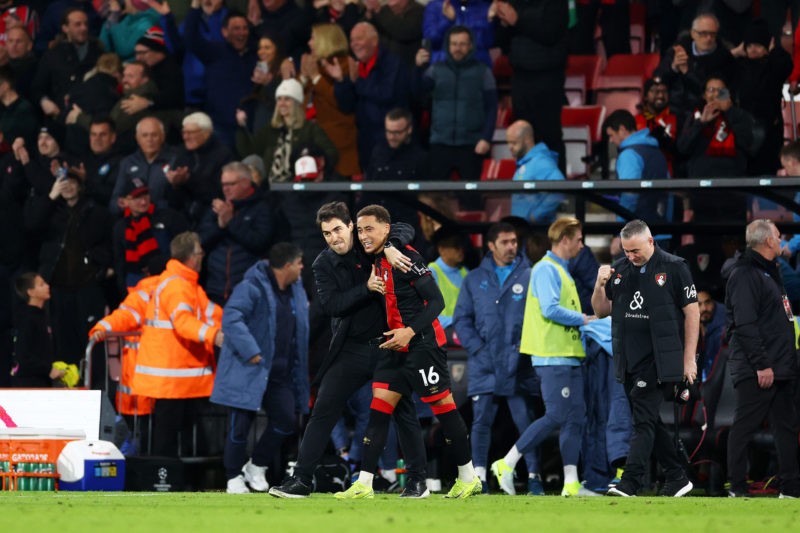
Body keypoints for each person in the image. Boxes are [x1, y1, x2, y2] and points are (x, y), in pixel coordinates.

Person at [269, 201, 429, 499]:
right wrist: (366, 288)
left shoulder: (373, 243)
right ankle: (302, 480)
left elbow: (405, 227)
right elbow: (332, 306)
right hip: (351, 350)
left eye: (338, 230)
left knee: (403, 412)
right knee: (323, 410)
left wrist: (392, 246)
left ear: (351, 227)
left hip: (388, 346)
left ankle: (418, 481)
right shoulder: (322, 264)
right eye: (327, 233)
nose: (333, 238)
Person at [335, 204, 481, 500]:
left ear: (385, 229)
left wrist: (409, 332)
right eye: (360, 230)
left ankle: (468, 477)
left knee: (444, 410)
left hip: (423, 345)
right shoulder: (377, 257)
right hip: (394, 347)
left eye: (369, 229)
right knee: (378, 412)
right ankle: (364, 483)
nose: (363, 236)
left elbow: (437, 302)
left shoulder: (406, 259)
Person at [592, 219, 699, 497]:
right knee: (649, 419)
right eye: (627, 251)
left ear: (651, 241)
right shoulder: (620, 270)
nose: (631, 256)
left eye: (635, 250)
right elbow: (602, 310)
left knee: (641, 422)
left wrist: (689, 359)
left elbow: (692, 313)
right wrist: (599, 285)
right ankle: (677, 478)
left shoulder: (675, 267)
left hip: (659, 360)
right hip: (628, 360)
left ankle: (630, 482)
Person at [491, 217, 596, 497]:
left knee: (575, 418)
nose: (581, 245)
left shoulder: (561, 270)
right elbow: (550, 309)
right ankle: (507, 463)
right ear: (565, 240)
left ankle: (571, 483)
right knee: (558, 414)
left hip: (569, 353)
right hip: (552, 355)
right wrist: (584, 320)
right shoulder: (545, 269)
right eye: (578, 239)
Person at [211, 242, 309, 494]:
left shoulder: (296, 289)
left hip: (280, 372)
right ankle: (233, 476)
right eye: (299, 263)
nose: (302, 268)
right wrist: (251, 350)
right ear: (287, 266)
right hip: (250, 368)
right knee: (240, 426)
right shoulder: (251, 286)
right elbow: (231, 317)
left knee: (287, 421)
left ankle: (257, 465)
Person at [453, 222, 542, 494]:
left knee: (525, 421)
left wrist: (526, 349)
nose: (511, 246)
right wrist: (478, 349)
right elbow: (462, 320)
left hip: (519, 363)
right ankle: (478, 476)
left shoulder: (530, 275)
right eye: (505, 242)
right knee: (481, 421)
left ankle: (535, 478)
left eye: (514, 241)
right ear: (491, 245)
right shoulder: (474, 279)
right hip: (485, 363)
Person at [724, 219, 800, 498]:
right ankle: (738, 487)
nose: (781, 241)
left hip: (780, 366)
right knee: (745, 425)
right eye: (779, 237)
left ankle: (791, 488)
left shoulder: (770, 272)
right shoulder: (745, 274)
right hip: (759, 367)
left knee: (786, 428)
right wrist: (761, 364)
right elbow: (745, 324)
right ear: (768, 241)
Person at [131, 231, 224, 457]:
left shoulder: (187, 284)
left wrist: (237, 323)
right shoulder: (178, 286)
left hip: (178, 378)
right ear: (192, 257)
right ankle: (164, 483)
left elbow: (214, 313)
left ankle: (174, 483)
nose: (203, 256)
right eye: (200, 252)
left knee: (177, 439)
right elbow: (183, 322)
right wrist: (215, 336)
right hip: (172, 378)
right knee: (168, 442)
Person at [23, 168, 112, 365]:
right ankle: (66, 388)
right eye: (62, 181)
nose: (68, 186)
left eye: (72, 181)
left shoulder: (95, 211)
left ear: (80, 186)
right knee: (62, 343)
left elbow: (108, 243)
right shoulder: (51, 210)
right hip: (57, 288)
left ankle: (92, 387)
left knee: (91, 341)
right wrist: (50, 197)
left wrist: (101, 267)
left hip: (86, 286)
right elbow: (31, 225)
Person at [415, 25, 497, 182]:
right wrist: (418, 68)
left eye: (462, 44)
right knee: (436, 198)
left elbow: (492, 107)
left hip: (471, 144)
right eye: (454, 44)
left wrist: (486, 138)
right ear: (448, 45)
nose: (457, 48)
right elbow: (417, 93)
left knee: (471, 198)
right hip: (440, 142)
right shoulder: (435, 70)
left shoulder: (483, 72)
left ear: (470, 46)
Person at [493, 0, 568, 170]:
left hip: (547, 76)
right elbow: (500, 41)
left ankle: (557, 190)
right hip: (520, 76)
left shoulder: (556, 4)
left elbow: (551, 33)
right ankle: (526, 186)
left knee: (548, 135)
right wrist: (502, 22)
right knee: (522, 136)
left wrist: (517, 20)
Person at [327, 21, 411, 170]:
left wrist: (357, 82)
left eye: (359, 38)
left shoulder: (392, 62)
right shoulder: (355, 67)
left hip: (390, 140)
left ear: (375, 41)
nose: (354, 44)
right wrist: (341, 82)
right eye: (352, 40)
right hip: (366, 141)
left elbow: (386, 94)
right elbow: (347, 106)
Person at [197, 161, 274, 304]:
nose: (225, 189)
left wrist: (231, 222)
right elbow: (201, 241)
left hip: (248, 289)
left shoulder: (262, 207)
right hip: (215, 290)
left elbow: (260, 242)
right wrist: (220, 226)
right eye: (223, 184)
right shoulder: (217, 208)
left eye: (231, 184)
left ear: (246, 183)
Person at [236, 78, 337, 183]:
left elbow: (331, 153)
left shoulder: (310, 129)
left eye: (287, 99)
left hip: (300, 185)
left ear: (297, 103)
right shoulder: (270, 130)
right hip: (271, 187)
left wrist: (315, 169)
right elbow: (250, 152)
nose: (282, 103)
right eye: (279, 99)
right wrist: (241, 128)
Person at [184, 6, 258, 149]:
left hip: (250, 124)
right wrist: (194, 8)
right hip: (220, 125)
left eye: (245, 28)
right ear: (224, 32)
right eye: (236, 28)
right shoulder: (215, 52)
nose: (241, 33)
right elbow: (191, 38)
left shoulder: (256, 54)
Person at [299, 23, 360, 178]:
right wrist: (303, 78)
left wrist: (316, 78)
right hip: (314, 140)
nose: (309, 43)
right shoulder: (314, 65)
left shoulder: (345, 64)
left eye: (313, 38)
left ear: (325, 40)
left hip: (339, 144)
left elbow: (341, 104)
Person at [732, 18, 793, 176]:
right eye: (749, 46)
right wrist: (733, 53)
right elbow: (715, 71)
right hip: (742, 132)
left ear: (767, 46)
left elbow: (786, 65)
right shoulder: (737, 66)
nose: (753, 50)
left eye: (758, 45)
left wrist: (774, 51)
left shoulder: (772, 65)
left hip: (769, 133)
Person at [654, 13, 737, 125]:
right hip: (672, 110)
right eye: (703, 33)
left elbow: (723, 96)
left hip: (705, 115)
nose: (708, 38)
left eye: (712, 34)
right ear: (693, 34)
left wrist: (688, 72)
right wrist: (673, 67)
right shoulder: (677, 50)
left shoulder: (725, 59)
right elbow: (657, 79)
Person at [112, 178, 188, 295]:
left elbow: (183, 249)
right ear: (125, 201)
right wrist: (124, 290)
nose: (143, 201)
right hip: (135, 286)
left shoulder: (167, 216)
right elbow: (120, 264)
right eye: (137, 197)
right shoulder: (120, 228)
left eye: (145, 195)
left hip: (167, 281)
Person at [31, 8, 102, 122]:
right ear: (65, 28)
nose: (83, 28)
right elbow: (37, 88)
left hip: (90, 119)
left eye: (85, 24)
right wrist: (44, 101)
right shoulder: (52, 55)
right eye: (77, 24)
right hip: (60, 119)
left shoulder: (99, 54)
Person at [604, 109, 672, 226]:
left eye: (611, 135)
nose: (610, 140)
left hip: (638, 234)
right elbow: (669, 192)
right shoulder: (656, 151)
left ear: (622, 130)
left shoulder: (629, 155)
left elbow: (629, 195)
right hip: (662, 228)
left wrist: (621, 229)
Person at [109, 117, 187, 214]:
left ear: (163, 137)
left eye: (154, 135)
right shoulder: (127, 162)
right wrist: (121, 204)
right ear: (137, 139)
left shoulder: (175, 159)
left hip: (165, 218)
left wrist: (177, 185)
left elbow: (181, 201)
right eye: (144, 135)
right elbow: (114, 202)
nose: (149, 139)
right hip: (135, 221)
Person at [175, 112, 235, 225]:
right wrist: (174, 184)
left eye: (190, 133)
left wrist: (189, 180)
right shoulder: (181, 154)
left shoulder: (223, 155)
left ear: (206, 133)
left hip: (210, 217)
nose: (185, 137)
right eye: (184, 132)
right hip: (182, 215)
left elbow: (220, 193)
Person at [10, 272, 64, 388]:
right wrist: (48, 369)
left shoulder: (43, 316)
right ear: (31, 292)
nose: (47, 286)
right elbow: (22, 357)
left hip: (42, 382)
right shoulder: (26, 319)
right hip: (29, 386)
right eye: (41, 284)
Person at [508, 120, 565, 225]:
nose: (509, 147)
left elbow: (560, 189)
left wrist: (535, 216)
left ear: (528, 140)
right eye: (508, 142)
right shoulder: (526, 162)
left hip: (536, 233)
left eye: (514, 142)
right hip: (523, 231)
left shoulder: (541, 162)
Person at [422, 0, 494, 67]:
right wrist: (448, 21)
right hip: (443, 68)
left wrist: (491, 21)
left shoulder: (485, 7)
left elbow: (488, 43)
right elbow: (430, 39)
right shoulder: (436, 6)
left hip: (477, 68)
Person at [635, 76, 679, 175]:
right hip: (642, 172)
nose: (660, 95)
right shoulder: (636, 121)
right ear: (645, 96)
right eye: (654, 91)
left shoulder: (677, 119)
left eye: (664, 91)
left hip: (669, 174)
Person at [428, 227, 467, 333]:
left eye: (461, 245)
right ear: (442, 249)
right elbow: (427, 313)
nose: (461, 249)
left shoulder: (465, 271)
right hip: (443, 333)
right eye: (456, 246)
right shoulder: (432, 272)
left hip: (463, 328)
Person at [364, 0, 424, 67]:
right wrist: (370, 14)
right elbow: (366, 33)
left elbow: (404, 32)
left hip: (406, 68)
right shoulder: (384, 10)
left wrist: (379, 11)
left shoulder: (418, 11)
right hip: (382, 67)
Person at [697, 288, 726, 382]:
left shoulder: (723, 326)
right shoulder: (689, 326)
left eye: (707, 302)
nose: (704, 308)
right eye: (699, 304)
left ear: (713, 302)